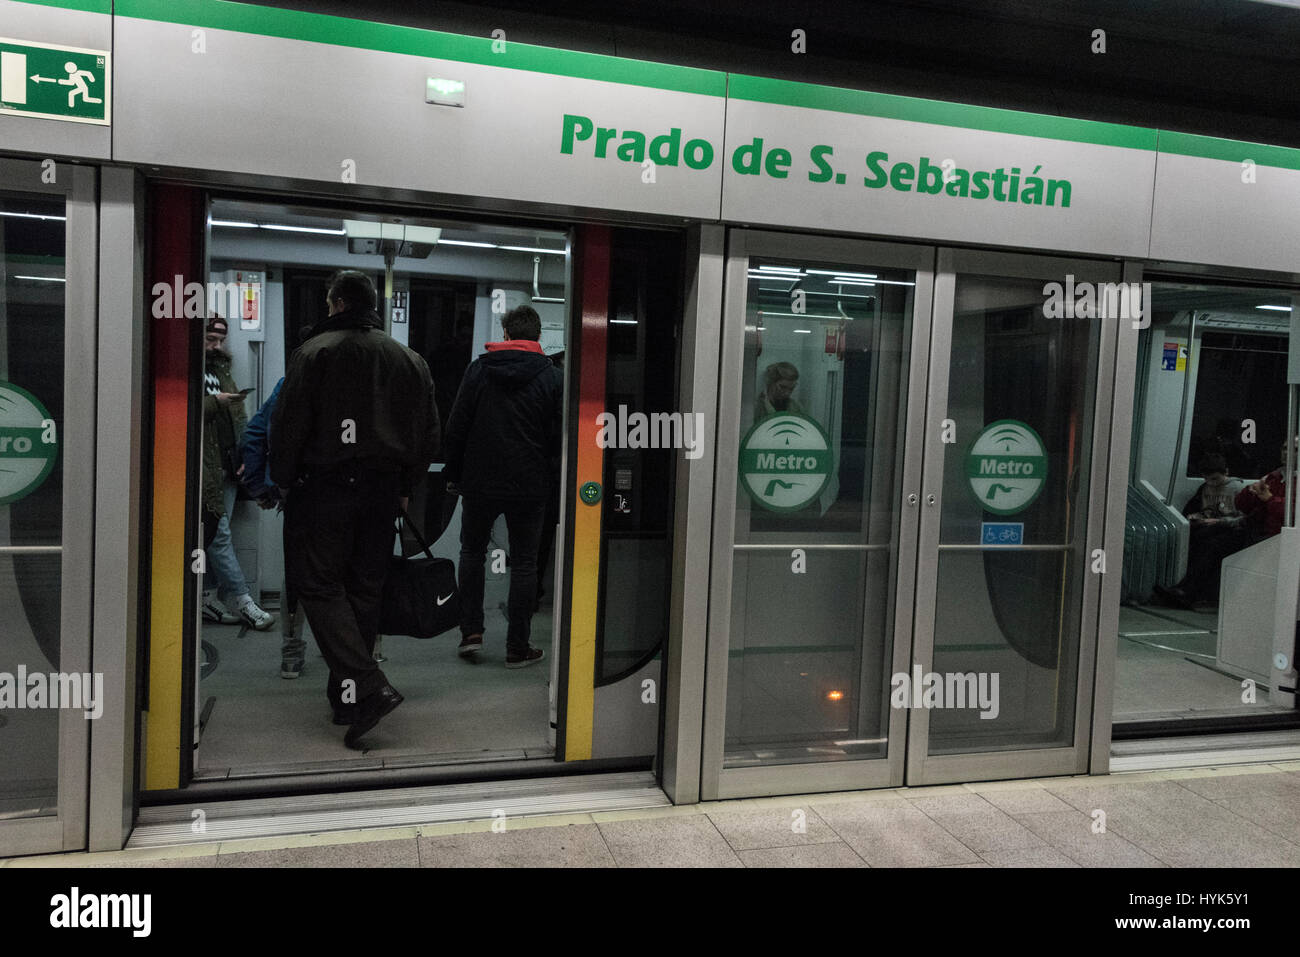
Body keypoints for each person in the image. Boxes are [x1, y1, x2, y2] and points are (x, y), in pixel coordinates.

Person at [270, 272, 439, 748]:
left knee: (319, 584)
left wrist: (282, 480)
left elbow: (290, 425)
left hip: (325, 488)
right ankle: (347, 698)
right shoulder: (410, 360)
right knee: (365, 589)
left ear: (338, 304)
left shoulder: (315, 353)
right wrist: (406, 485)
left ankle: (369, 686)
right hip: (383, 493)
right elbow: (429, 434)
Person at [443, 305, 562, 668]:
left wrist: (454, 474)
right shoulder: (553, 377)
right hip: (530, 484)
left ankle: (472, 633)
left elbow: (457, 426)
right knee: (525, 563)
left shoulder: (479, 370)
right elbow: (558, 438)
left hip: (480, 481)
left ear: (506, 334)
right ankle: (517, 647)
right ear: (539, 337)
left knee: (472, 554)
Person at [201, 316, 275, 631]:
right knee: (219, 537)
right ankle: (244, 601)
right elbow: (183, 411)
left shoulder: (221, 370)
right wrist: (215, 402)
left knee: (217, 535)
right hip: (205, 465)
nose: (216, 346)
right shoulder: (190, 371)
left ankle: (207, 597)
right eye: (210, 339)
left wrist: (246, 455)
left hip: (226, 464)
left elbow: (238, 417)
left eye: (220, 340)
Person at [1155, 453, 1248, 608]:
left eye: (1215, 480)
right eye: (1207, 480)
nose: (1211, 484)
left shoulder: (1237, 489)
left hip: (1234, 530)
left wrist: (1218, 521)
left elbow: (1244, 517)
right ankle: (1183, 588)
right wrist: (1197, 517)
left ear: (1226, 473)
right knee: (1195, 539)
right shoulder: (1204, 488)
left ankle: (1187, 591)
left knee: (1210, 546)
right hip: (1213, 527)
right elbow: (1205, 509)